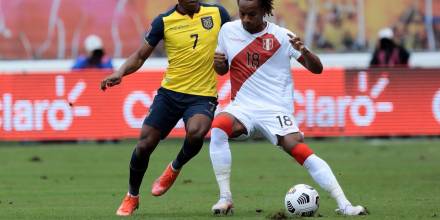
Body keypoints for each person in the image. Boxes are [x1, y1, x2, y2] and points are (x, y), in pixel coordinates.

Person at [209, 0, 367, 216]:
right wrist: (218, 64)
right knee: (218, 127)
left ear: (265, 11)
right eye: (242, 13)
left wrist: (305, 52)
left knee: (298, 148)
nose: (246, 19)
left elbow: (317, 69)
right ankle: (225, 198)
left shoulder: (283, 36)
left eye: (252, 14)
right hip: (242, 107)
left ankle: (345, 204)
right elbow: (221, 69)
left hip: (276, 109)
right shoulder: (227, 30)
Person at [100, 0, 230, 216]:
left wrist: (223, 64)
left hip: (202, 95)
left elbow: (233, 45)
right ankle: (132, 196)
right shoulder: (164, 21)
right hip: (170, 94)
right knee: (144, 145)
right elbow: (141, 56)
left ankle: (174, 167)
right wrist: (120, 72)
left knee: (197, 132)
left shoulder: (217, 13)